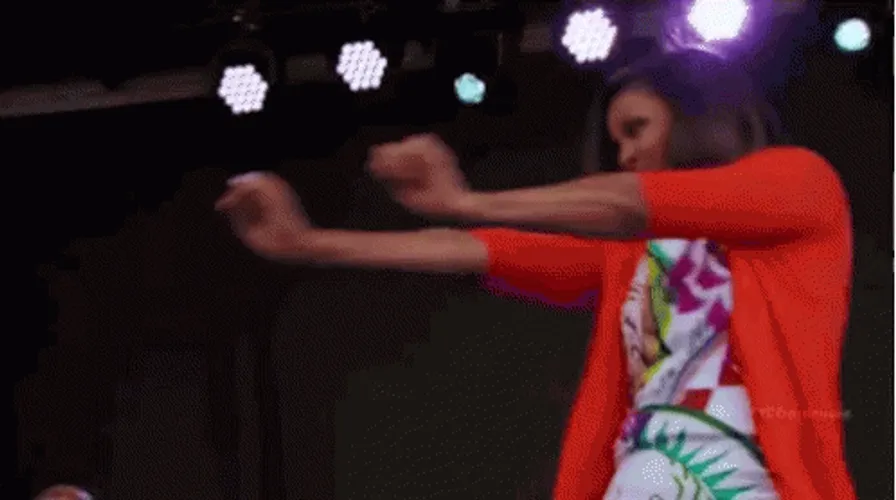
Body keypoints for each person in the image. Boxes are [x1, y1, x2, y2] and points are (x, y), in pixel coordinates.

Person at [215, 50, 855, 500]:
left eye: (636, 129)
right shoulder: (632, 258)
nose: (627, 154)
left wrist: (466, 200)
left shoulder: (801, 186)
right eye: (617, 142)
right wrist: (309, 243)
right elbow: (482, 252)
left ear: (698, 116)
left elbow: (627, 203)